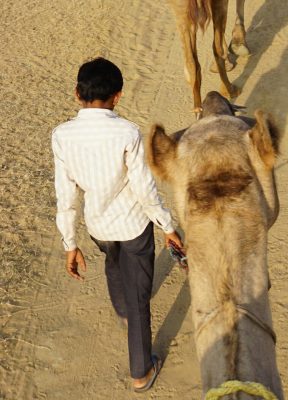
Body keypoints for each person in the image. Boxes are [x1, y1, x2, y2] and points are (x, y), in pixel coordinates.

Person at [52, 57, 183, 392]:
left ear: (76, 93)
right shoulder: (127, 132)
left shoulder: (62, 136)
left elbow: (65, 195)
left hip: (98, 227)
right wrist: (167, 226)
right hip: (134, 226)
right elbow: (144, 188)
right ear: (118, 96)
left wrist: (70, 244)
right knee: (141, 297)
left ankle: (123, 309)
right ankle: (141, 370)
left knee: (112, 262)